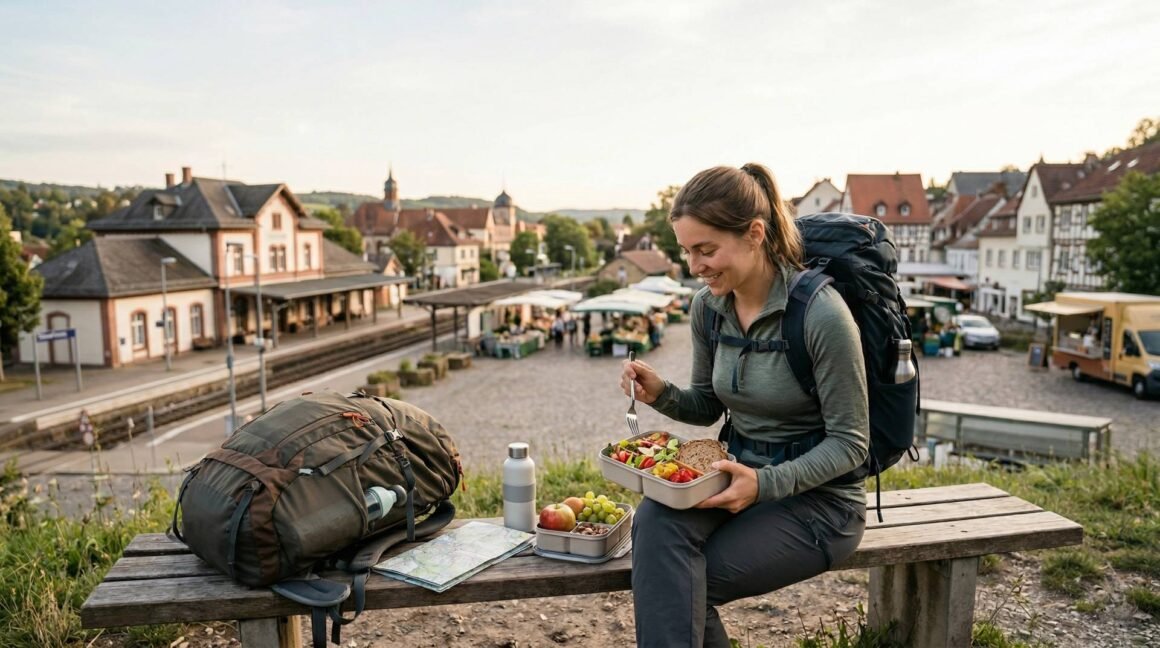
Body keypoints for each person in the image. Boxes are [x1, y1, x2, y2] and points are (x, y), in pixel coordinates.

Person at [620, 163, 868, 648]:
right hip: (732, 478)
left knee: (677, 586)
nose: (694, 266)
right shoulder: (709, 308)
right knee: (654, 520)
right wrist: (660, 393)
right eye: (686, 251)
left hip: (821, 502)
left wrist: (765, 483)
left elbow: (851, 442)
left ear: (754, 234)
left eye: (706, 249)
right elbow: (707, 405)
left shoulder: (822, 316)